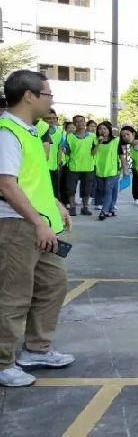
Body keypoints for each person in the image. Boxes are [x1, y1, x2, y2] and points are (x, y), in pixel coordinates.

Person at [0, 70, 74, 387]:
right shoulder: (7, 133)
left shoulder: (29, 131)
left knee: (53, 283)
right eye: (47, 94)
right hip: (17, 226)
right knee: (14, 295)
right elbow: (6, 184)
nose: (51, 100)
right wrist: (38, 222)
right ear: (29, 96)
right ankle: (3, 362)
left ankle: (36, 349)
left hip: (37, 225)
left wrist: (56, 205)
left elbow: (32, 180)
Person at [64, 114, 97, 215]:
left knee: (86, 189)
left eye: (82, 121)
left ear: (85, 122)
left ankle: (85, 208)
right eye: (77, 121)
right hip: (73, 166)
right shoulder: (69, 136)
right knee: (71, 189)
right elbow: (67, 151)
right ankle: (72, 208)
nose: (80, 123)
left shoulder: (92, 136)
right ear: (74, 124)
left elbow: (94, 152)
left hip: (88, 166)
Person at [92, 121, 122, 220]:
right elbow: (93, 153)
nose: (102, 131)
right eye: (100, 129)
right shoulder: (95, 140)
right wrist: (99, 143)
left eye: (105, 129)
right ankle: (111, 208)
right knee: (102, 189)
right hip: (100, 169)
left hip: (112, 169)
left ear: (109, 130)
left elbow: (121, 154)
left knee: (108, 190)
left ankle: (103, 211)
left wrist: (125, 167)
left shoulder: (116, 140)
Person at [42, 109, 63, 201]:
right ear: (43, 119)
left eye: (54, 118)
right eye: (49, 118)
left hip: (54, 167)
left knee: (55, 192)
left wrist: (58, 164)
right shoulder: (38, 130)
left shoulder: (59, 132)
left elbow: (60, 149)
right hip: (42, 167)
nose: (52, 120)